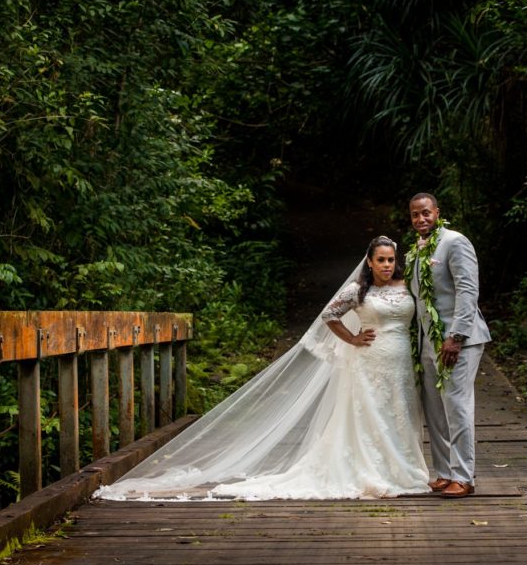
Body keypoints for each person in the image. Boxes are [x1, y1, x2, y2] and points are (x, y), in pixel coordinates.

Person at [94, 236, 430, 501]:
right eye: (380, 260)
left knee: (398, 413)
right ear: (369, 262)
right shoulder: (359, 290)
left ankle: (403, 470)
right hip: (368, 361)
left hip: (399, 361)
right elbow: (329, 315)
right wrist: (353, 338)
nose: (387, 265)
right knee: (369, 417)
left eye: (390, 260)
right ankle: (372, 471)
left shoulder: (405, 287)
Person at [406, 193, 491, 498]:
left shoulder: (455, 242)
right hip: (427, 343)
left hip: (459, 342)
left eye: (426, 213)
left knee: (456, 406)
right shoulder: (414, 251)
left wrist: (456, 337)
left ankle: (464, 476)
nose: (421, 219)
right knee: (435, 411)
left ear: (437, 212)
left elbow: (468, 290)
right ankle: (443, 472)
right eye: (415, 215)